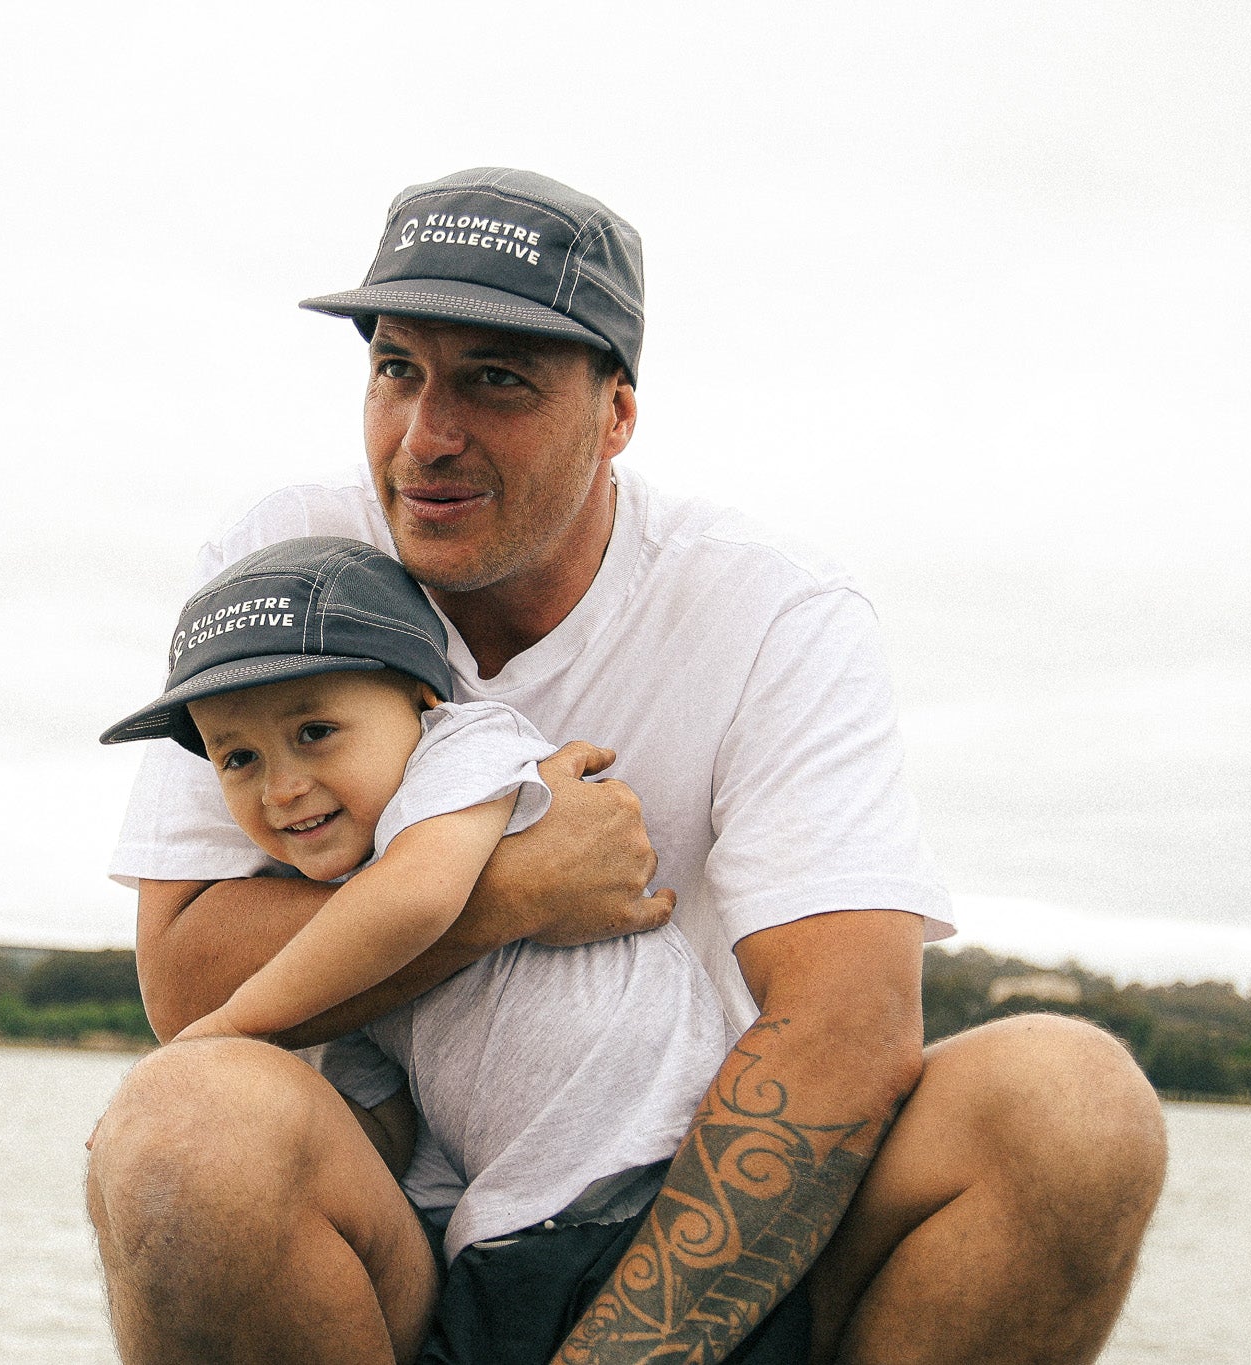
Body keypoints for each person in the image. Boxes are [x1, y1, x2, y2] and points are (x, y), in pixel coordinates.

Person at [87, 168, 1166, 1365]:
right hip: (397, 1234)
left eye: (495, 379)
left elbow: (846, 1023)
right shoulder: (285, 561)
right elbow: (185, 986)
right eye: (396, 369)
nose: (426, 437)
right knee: (184, 1127)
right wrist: (509, 895)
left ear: (615, 414)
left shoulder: (771, 609)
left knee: (1069, 1102)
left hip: (696, 1214)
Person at [99, 534, 745, 1362]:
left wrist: (219, 1030)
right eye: (239, 758)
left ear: (420, 698)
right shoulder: (344, 949)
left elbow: (413, 901)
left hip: (656, 1174)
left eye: (316, 730)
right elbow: (388, 1126)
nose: (282, 786)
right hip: (520, 1230)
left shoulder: (463, 753)